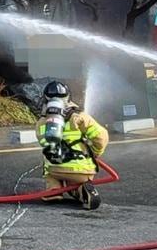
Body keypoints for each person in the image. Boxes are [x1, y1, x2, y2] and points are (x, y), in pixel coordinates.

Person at [35, 80, 109, 210]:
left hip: (54, 168)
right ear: (68, 97)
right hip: (80, 169)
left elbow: (44, 144)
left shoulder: (42, 121)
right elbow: (101, 136)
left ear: (45, 98)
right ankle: (82, 190)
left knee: (48, 162)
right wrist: (96, 152)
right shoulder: (79, 117)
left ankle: (53, 191)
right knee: (76, 183)